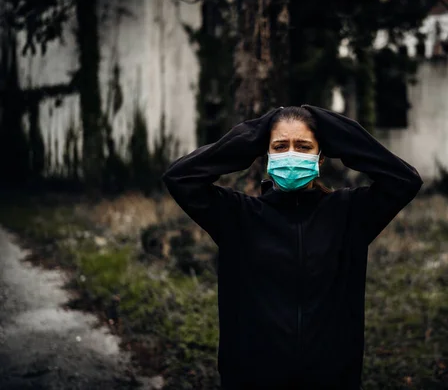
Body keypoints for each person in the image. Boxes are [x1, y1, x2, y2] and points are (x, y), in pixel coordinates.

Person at [162, 105, 423, 390]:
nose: (291, 155)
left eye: (303, 146)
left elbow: (405, 180)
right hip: (252, 380)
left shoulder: (349, 214)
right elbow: (180, 178)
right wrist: (256, 133)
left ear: (321, 159)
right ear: (266, 156)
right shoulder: (238, 216)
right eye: (280, 146)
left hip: (331, 380)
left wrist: (326, 124)